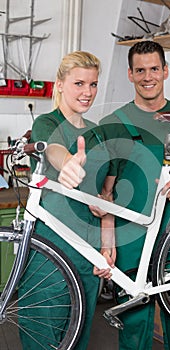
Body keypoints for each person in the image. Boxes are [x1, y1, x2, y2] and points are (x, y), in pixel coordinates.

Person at [97, 41, 170, 350]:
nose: (148, 76)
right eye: (140, 70)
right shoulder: (112, 125)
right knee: (133, 331)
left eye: (154, 69)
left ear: (165, 71)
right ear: (130, 74)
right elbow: (106, 192)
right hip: (132, 241)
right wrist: (107, 242)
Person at [18, 50, 113, 349]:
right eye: (79, 83)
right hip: (49, 248)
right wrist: (69, 163)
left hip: (88, 250)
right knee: (42, 333)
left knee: (78, 335)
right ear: (59, 84)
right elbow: (54, 149)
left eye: (93, 84)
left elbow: (107, 195)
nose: (87, 93)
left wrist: (108, 243)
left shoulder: (98, 134)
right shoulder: (47, 123)